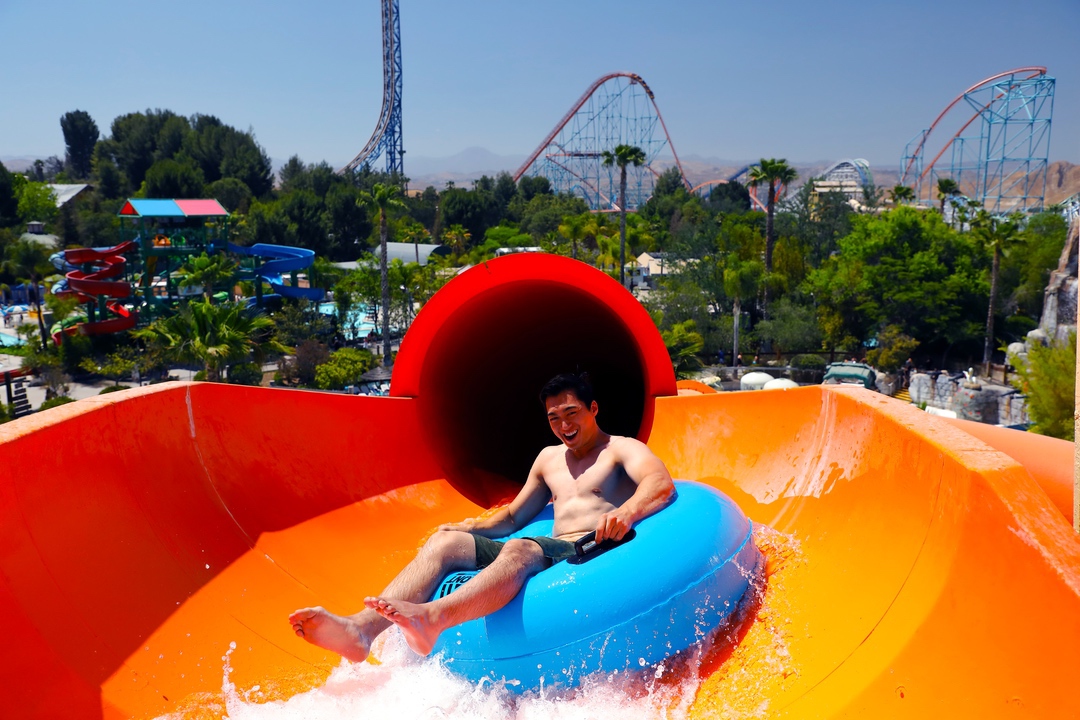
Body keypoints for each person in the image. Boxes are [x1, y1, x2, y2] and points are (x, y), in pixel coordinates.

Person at [288, 372, 676, 661]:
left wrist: (625, 513)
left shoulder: (621, 449)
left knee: (521, 549)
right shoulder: (547, 458)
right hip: (546, 545)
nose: (564, 425)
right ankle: (361, 630)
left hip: (586, 545)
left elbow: (660, 484)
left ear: (593, 409)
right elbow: (511, 517)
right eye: (554, 418)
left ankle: (433, 618)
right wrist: (465, 528)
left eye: (572, 413)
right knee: (445, 543)